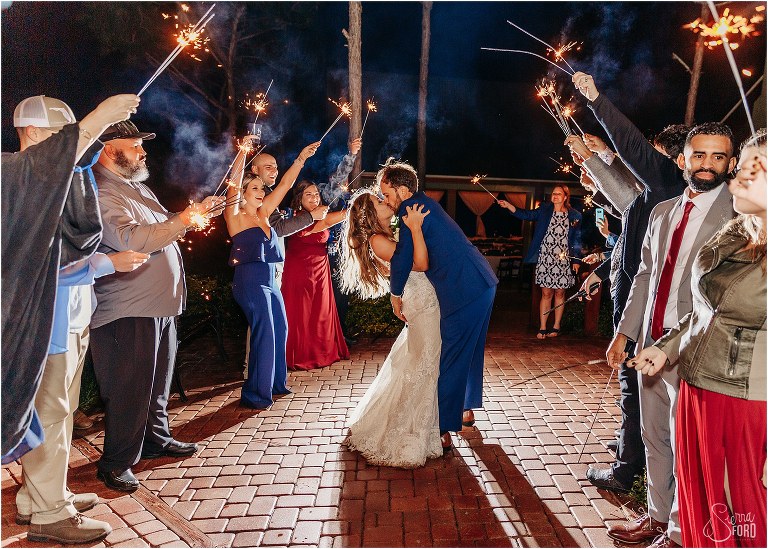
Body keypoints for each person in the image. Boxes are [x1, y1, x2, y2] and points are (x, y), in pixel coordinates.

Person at [3, 94, 140, 543]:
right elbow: (39, 261)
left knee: (60, 413)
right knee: (48, 412)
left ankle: (40, 494)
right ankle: (49, 513)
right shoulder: (16, 181)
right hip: (47, 324)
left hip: (72, 316)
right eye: (65, 137)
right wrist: (106, 264)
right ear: (36, 135)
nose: (73, 148)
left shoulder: (55, 183)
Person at [604, 122, 737, 549]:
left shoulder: (738, 216)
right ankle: (658, 518)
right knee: (653, 436)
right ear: (683, 160)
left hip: (695, 347)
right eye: (699, 155)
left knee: (688, 446)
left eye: (718, 157)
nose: (707, 164)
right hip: (648, 343)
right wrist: (624, 333)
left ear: (731, 164)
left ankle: (682, 533)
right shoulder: (663, 212)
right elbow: (644, 276)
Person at [630, 130, 766, 548]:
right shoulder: (739, 233)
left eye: (752, 168)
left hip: (746, 397)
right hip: (700, 384)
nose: (738, 177)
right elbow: (705, 309)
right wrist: (664, 346)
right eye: (743, 166)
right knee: (704, 506)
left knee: (744, 511)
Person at [570, 71, 688, 500]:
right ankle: (630, 449)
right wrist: (599, 274)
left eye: (653, 155)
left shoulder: (668, 183)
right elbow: (626, 236)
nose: (644, 162)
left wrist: (596, 99)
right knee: (634, 386)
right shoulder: (650, 194)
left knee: (633, 384)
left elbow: (631, 146)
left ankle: (626, 470)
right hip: (629, 296)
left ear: (672, 159)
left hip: (647, 307)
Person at [90, 121, 224, 493]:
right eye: (134, 146)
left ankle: (155, 439)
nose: (143, 151)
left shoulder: (136, 188)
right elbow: (132, 238)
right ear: (108, 148)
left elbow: (165, 225)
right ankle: (115, 463)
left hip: (157, 305)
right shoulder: (102, 191)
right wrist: (183, 220)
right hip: (127, 306)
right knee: (128, 387)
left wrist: (194, 212)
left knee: (158, 382)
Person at [380, 159, 498, 451]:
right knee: (468, 352)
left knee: (452, 356)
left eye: (387, 193)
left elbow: (405, 257)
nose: (386, 200)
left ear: (402, 190)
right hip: (481, 282)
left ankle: (443, 428)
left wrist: (395, 295)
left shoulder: (410, 210)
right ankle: (465, 410)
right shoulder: (422, 204)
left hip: (464, 289)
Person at [339, 190, 441, 467]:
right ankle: (407, 435)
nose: (386, 202)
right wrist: (416, 228)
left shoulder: (387, 236)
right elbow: (420, 264)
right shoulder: (378, 241)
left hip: (422, 301)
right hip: (421, 303)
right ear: (370, 215)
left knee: (422, 362)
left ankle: (425, 427)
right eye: (379, 201)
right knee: (425, 364)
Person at [225, 138, 320, 408]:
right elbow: (233, 183)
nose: (260, 191)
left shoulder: (265, 213)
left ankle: (276, 383)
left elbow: (286, 184)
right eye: (254, 187)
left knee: (280, 329)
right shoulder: (235, 216)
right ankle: (255, 394)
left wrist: (301, 158)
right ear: (242, 193)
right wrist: (243, 152)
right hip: (250, 282)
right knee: (264, 333)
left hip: (271, 283)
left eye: (260, 188)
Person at [281, 180, 351, 370]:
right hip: (299, 270)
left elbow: (329, 223)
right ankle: (302, 354)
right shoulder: (295, 217)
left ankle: (322, 351)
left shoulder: (320, 214)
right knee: (301, 313)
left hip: (320, 268)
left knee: (320, 311)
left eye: (316, 194)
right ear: (299, 198)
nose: (314, 198)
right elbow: (327, 222)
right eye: (309, 195)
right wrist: (350, 212)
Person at [498, 186, 582, 339]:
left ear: (565, 197)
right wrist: (509, 206)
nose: (555, 196)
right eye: (553, 193)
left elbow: (576, 239)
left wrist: (576, 260)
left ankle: (556, 326)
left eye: (559, 194)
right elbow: (527, 214)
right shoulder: (544, 210)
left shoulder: (574, 215)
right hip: (545, 257)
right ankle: (543, 326)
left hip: (563, 259)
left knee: (560, 292)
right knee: (546, 292)